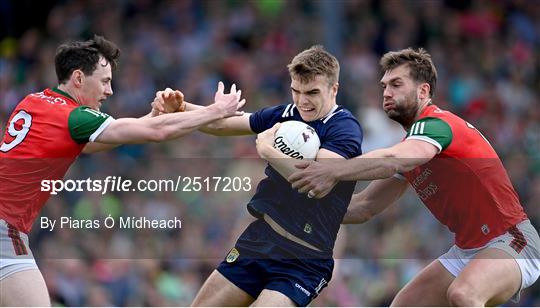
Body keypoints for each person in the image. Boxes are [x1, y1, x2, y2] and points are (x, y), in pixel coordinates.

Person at [0, 35, 245, 306]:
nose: (110, 91)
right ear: (79, 78)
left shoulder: (35, 102)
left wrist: (152, 117)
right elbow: (158, 133)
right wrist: (216, 110)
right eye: (105, 81)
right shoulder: (72, 116)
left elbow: (96, 143)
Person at [287, 47, 540, 306]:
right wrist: (302, 208)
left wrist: (331, 170)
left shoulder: (436, 126)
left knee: (463, 294)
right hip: (467, 250)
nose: (387, 92)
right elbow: (364, 207)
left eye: (396, 84)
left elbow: (392, 160)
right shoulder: (412, 144)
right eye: (384, 85)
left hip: (511, 240)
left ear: (423, 91)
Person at [173, 45, 363, 306]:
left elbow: (317, 182)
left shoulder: (344, 128)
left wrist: (266, 150)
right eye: (296, 91)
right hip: (259, 242)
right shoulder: (286, 114)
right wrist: (180, 107)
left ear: (334, 89)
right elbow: (221, 124)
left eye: (312, 93)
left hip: (304, 261)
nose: (302, 101)